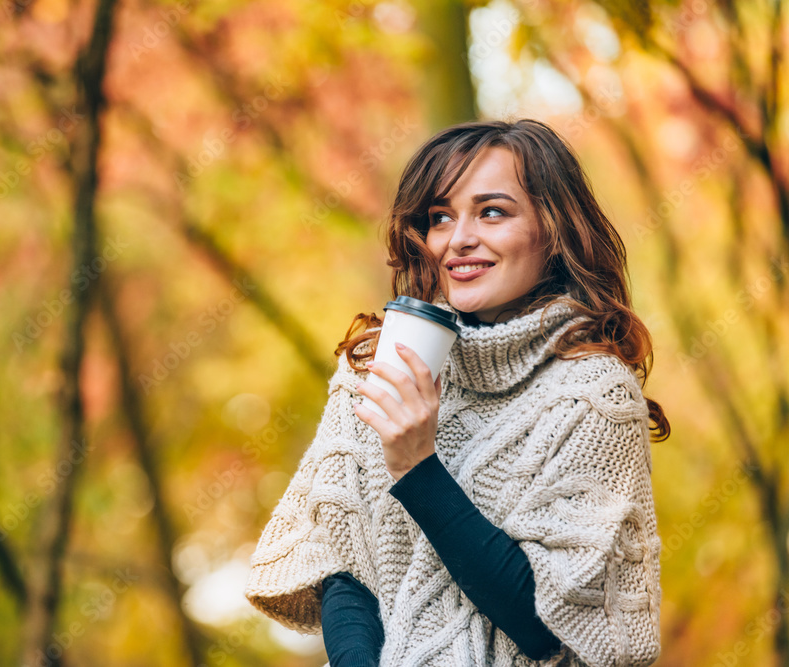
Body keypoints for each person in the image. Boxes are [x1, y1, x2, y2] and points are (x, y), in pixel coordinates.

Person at [244, 119, 668, 666]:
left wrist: (417, 466)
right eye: (440, 217)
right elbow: (339, 560)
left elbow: (549, 627)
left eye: (492, 211)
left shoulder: (593, 396)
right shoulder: (377, 366)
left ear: (554, 231)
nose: (458, 238)